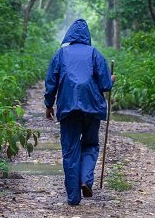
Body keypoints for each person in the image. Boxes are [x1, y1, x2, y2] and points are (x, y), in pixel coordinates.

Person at [44, 19, 114, 205]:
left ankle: (73, 198)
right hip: (92, 108)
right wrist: (111, 78)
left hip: (68, 108)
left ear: (69, 35)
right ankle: (86, 180)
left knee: (70, 150)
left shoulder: (61, 54)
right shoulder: (95, 54)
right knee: (90, 145)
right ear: (87, 37)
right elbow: (106, 85)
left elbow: (51, 82)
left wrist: (48, 104)